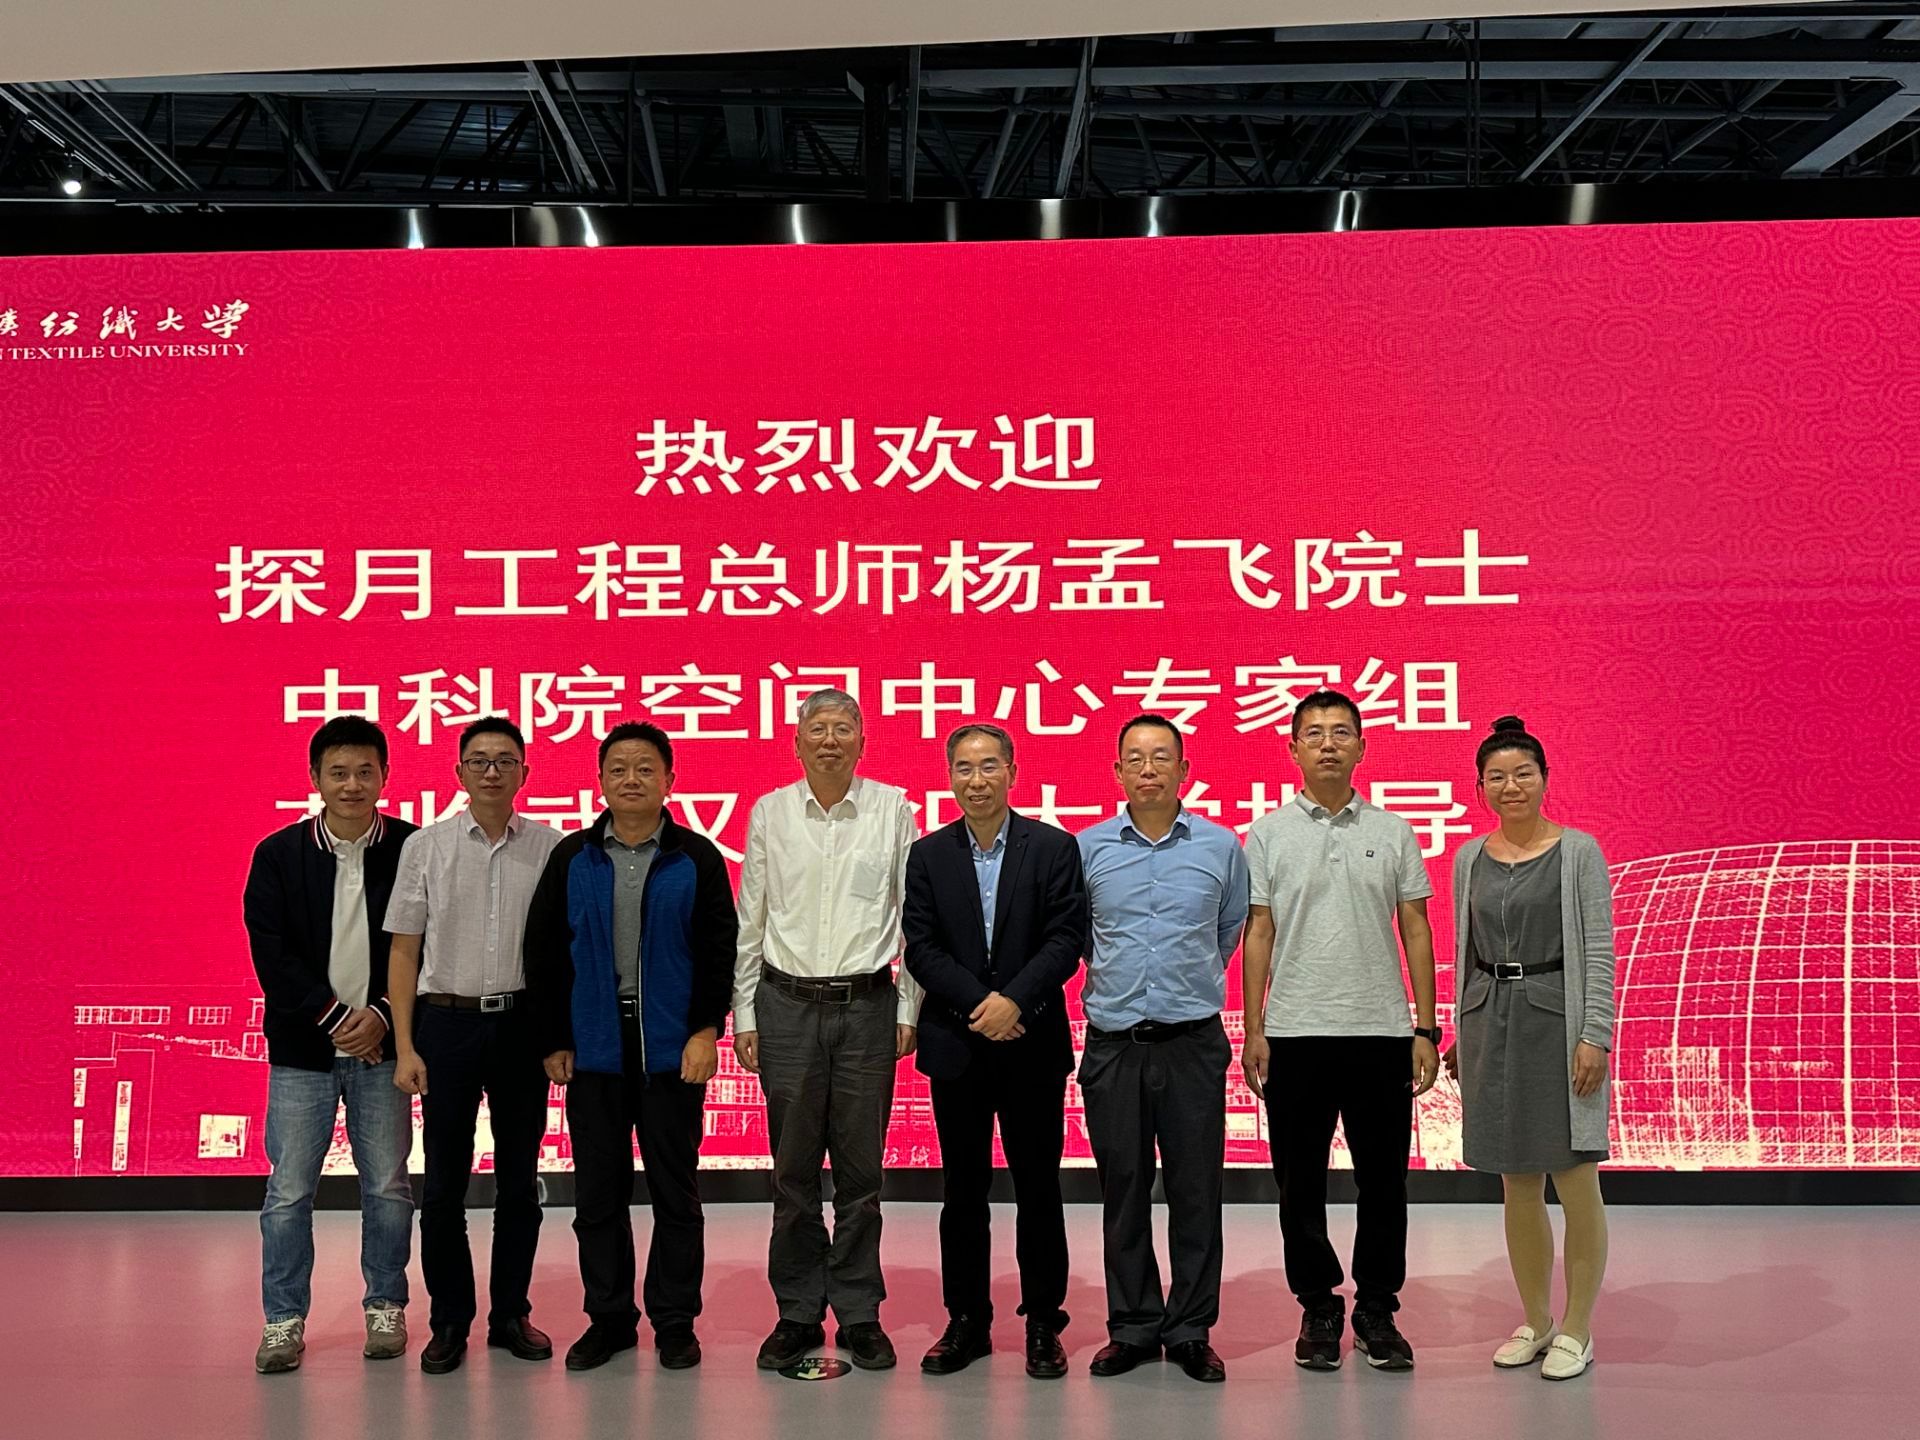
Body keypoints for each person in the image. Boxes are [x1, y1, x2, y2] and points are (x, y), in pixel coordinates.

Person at [524, 722, 738, 1372]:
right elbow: (543, 953)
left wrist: (706, 1030)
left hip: (671, 1049)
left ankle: (675, 1321)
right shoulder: (574, 857)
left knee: (676, 1194)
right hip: (593, 1047)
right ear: (600, 781)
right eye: (618, 769)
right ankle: (609, 1319)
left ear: (670, 780)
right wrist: (553, 1039)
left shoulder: (695, 858)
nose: (631, 779)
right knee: (598, 1197)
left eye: (646, 768)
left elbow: (718, 952)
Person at [1240, 688, 1439, 1373]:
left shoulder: (1394, 830)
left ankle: (1378, 1308)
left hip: (1380, 1032)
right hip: (1294, 1034)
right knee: (1298, 1183)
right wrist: (1255, 1027)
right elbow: (1258, 930)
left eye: (1341, 732)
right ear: (1293, 748)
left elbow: (1416, 927)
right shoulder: (1267, 833)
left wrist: (1425, 1028)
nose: (1328, 743)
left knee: (1384, 1182)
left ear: (1361, 746)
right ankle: (1319, 1305)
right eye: (1314, 733)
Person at [732, 688, 923, 1373]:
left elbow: (913, 916)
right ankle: (797, 1311)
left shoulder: (892, 809)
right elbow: (751, 917)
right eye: (819, 728)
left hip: (868, 1006)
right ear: (797, 741)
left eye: (844, 728)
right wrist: (744, 1012)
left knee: (861, 1175)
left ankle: (860, 1311)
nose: (831, 740)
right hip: (785, 1005)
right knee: (792, 1173)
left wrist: (908, 1008)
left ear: (863, 742)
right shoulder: (771, 812)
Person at [903, 723, 1089, 1379]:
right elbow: (921, 947)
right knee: (963, 1190)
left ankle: (1043, 1322)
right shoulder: (928, 854)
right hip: (958, 1043)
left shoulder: (1053, 846)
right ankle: (967, 1321)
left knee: (1038, 1186)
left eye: (988, 766)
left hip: (1031, 1041)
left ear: (1012, 771)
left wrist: (1016, 1001)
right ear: (949, 776)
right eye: (963, 767)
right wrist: (982, 1006)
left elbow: (1066, 938)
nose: (976, 780)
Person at [385, 716, 563, 1374]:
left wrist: (557, 1037)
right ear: (458, 772)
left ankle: (510, 1312)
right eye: (479, 760)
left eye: (505, 760)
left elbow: (562, 956)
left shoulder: (550, 848)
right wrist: (406, 1045)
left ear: (525, 773)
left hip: (520, 1027)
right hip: (447, 1024)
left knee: (519, 1183)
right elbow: (404, 953)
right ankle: (450, 1320)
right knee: (443, 1187)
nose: (492, 771)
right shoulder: (425, 847)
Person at [243, 716, 419, 1374]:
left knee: (389, 1187)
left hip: (384, 1050)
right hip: (303, 1053)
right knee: (289, 1191)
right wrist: (339, 1018)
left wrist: (381, 1017)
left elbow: (424, 944)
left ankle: (386, 1304)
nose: (352, 784)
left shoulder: (411, 848)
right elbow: (272, 954)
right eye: (338, 772)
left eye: (365, 771)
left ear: (385, 776)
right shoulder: (278, 854)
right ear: (314, 777)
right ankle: (283, 1319)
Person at [1076, 713, 1248, 1384]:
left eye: (1161, 757)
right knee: (1123, 1190)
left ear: (1184, 770)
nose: (1148, 769)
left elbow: (1228, 929)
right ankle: (1133, 1326)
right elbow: (1081, 938)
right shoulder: (1086, 848)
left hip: (1191, 1044)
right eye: (1135, 758)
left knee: (1196, 1190)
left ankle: (1191, 1329)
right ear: (1117, 771)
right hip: (1114, 1044)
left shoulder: (1221, 847)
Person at [1443, 715, 1614, 1382]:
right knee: (1515, 1181)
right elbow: (1466, 953)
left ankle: (1579, 1328)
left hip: (1558, 1025)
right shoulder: (1468, 858)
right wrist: (1460, 1028)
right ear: (1480, 787)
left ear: (1544, 780)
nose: (1510, 786)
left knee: (1574, 1177)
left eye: (1523, 774)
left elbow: (1598, 950)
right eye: (1497, 777)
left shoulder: (1578, 852)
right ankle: (1538, 1319)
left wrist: (1595, 1034)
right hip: (1490, 1023)